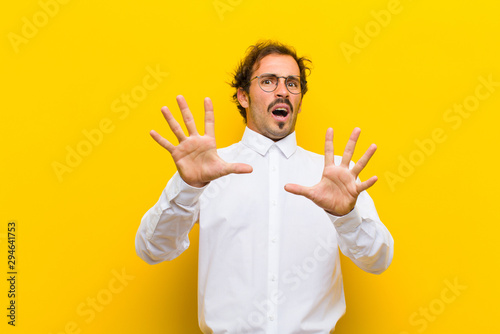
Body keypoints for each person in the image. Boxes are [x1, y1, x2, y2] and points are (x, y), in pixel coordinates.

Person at [135, 40, 394, 333]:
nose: (283, 90)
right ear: (243, 96)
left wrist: (346, 217)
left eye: (292, 83)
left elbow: (379, 260)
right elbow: (151, 249)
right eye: (269, 81)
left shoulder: (333, 177)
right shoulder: (206, 169)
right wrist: (187, 187)